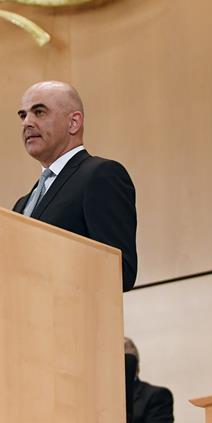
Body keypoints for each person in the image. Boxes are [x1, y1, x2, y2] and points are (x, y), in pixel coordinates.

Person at [12, 80, 137, 291]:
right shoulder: (21, 204)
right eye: (23, 115)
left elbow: (119, 271)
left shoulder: (100, 175)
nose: (27, 123)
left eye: (39, 112)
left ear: (73, 122)